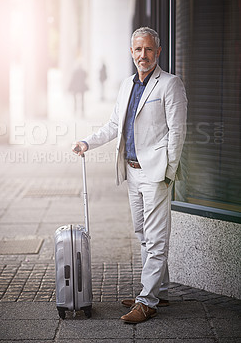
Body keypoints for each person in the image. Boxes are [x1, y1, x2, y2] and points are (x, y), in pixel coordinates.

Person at [72, 27, 187, 323]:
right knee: (143, 234)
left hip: (156, 173)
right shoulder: (127, 85)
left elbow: (177, 132)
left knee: (157, 238)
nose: (143, 55)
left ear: (158, 52)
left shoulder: (170, 84)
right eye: (138, 50)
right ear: (131, 52)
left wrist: (168, 171)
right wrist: (87, 142)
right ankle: (158, 290)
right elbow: (114, 125)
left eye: (148, 49)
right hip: (132, 171)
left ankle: (146, 301)